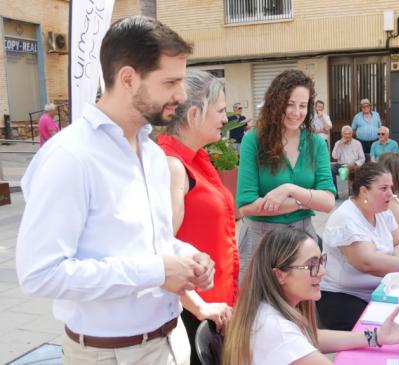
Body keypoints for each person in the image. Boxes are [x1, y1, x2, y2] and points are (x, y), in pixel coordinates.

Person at [15, 16, 215, 364]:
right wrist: (155, 271)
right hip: (110, 354)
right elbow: (39, 274)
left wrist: (188, 256)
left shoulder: (151, 154)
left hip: (170, 341)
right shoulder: (70, 157)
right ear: (128, 78)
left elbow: (150, 241)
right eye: (171, 82)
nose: (181, 96)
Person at [222, 228, 399, 365]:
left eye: (321, 261)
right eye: (312, 265)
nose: (322, 271)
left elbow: (311, 338)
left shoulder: (266, 311)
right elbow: (295, 341)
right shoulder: (276, 330)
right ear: (280, 274)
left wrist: (376, 336)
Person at [158, 70, 237, 364]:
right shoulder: (173, 166)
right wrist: (201, 306)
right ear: (194, 114)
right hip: (194, 314)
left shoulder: (197, 159)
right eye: (220, 110)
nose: (226, 118)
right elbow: (160, 252)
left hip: (215, 308)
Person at [318, 162, 399, 331]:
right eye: (384, 188)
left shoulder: (382, 210)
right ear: (364, 191)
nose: (391, 194)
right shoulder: (346, 218)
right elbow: (367, 262)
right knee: (390, 334)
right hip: (344, 297)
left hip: (379, 289)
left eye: (391, 188)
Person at [236, 69, 336, 283]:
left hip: (303, 240)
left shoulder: (316, 143)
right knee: (257, 310)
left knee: (302, 310)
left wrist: (289, 190)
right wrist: (304, 202)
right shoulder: (253, 141)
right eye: (290, 104)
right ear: (276, 102)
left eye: (303, 105)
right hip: (260, 241)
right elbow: (246, 206)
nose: (296, 112)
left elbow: (328, 202)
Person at [330, 125, 365, 198]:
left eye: (349, 134)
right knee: (330, 169)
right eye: (345, 134)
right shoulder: (338, 143)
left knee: (357, 170)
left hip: (353, 164)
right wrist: (340, 145)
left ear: (352, 134)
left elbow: (362, 158)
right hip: (341, 165)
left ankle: (354, 193)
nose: (347, 136)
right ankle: (334, 193)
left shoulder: (357, 143)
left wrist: (354, 163)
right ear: (342, 134)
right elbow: (334, 156)